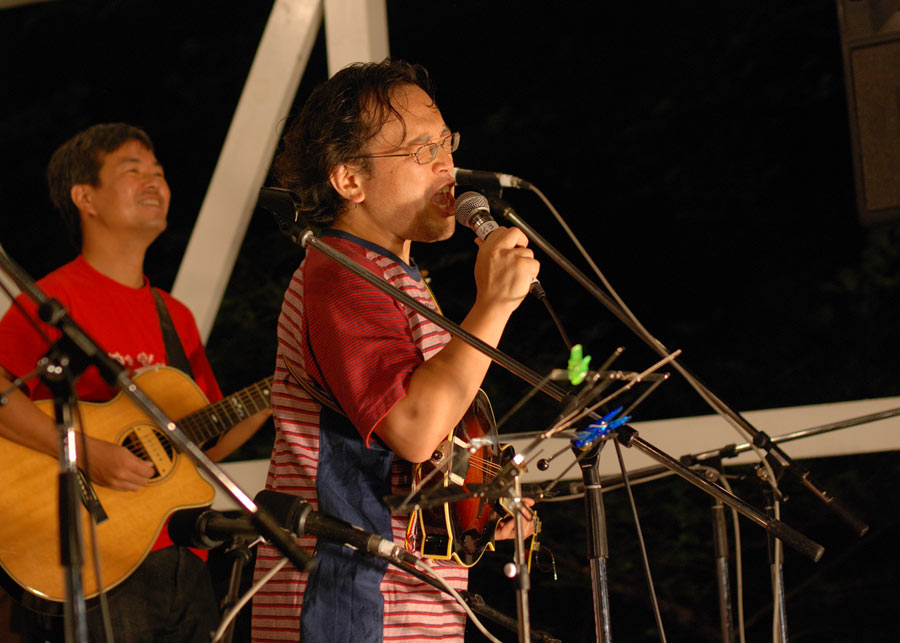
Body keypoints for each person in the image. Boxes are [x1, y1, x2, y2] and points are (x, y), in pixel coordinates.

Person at [250, 59, 539, 642]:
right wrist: (493, 305)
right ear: (349, 180)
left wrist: (479, 503)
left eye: (446, 142)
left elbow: (416, 452)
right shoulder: (340, 274)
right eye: (420, 150)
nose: (445, 164)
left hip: (405, 602)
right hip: (346, 602)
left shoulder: (392, 277)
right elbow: (412, 427)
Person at [0, 122, 270, 641]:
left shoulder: (174, 316)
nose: (155, 182)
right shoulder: (53, 302)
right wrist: (85, 452)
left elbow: (201, 447)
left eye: (159, 172)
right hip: (91, 560)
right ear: (85, 198)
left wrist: (271, 398)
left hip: (181, 558)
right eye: (133, 170)